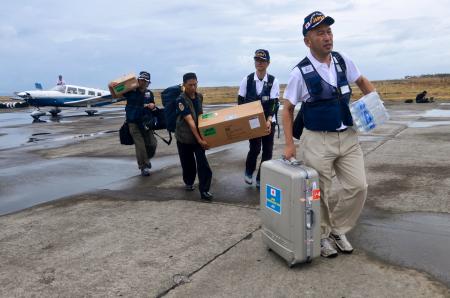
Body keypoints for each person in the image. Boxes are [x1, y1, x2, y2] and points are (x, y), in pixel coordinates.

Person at [283, 11, 375, 258]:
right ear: (307, 40)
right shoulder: (299, 73)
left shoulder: (342, 60)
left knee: (359, 186)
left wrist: (374, 105)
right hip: (317, 140)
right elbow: (288, 109)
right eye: (320, 33)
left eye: (329, 32)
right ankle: (322, 236)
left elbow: (363, 82)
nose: (327, 37)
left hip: (348, 137)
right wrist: (289, 145)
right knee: (319, 192)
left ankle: (338, 229)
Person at [237, 49, 280, 189]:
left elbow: (275, 102)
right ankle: (249, 171)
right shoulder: (247, 80)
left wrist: (269, 120)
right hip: (252, 121)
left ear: (268, 63)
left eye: (262, 61)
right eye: (257, 60)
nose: (259, 63)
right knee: (254, 148)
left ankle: (261, 178)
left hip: (268, 121)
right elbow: (240, 100)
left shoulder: (273, 81)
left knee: (267, 151)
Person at [175, 72, 213, 201]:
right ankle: (189, 182)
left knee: (203, 164)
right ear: (184, 85)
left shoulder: (199, 97)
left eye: (195, 84)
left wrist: (205, 135)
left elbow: (201, 117)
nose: (193, 87)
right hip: (184, 137)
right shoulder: (180, 100)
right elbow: (190, 121)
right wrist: (200, 140)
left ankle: (204, 191)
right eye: (190, 85)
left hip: (197, 137)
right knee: (188, 164)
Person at [123, 71, 157, 176]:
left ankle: (146, 159)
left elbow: (153, 105)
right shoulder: (130, 91)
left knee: (152, 144)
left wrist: (152, 105)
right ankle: (144, 166)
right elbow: (118, 91)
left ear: (148, 83)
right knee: (140, 145)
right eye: (141, 80)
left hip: (146, 122)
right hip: (133, 122)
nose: (143, 82)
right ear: (138, 80)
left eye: (145, 81)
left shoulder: (149, 93)